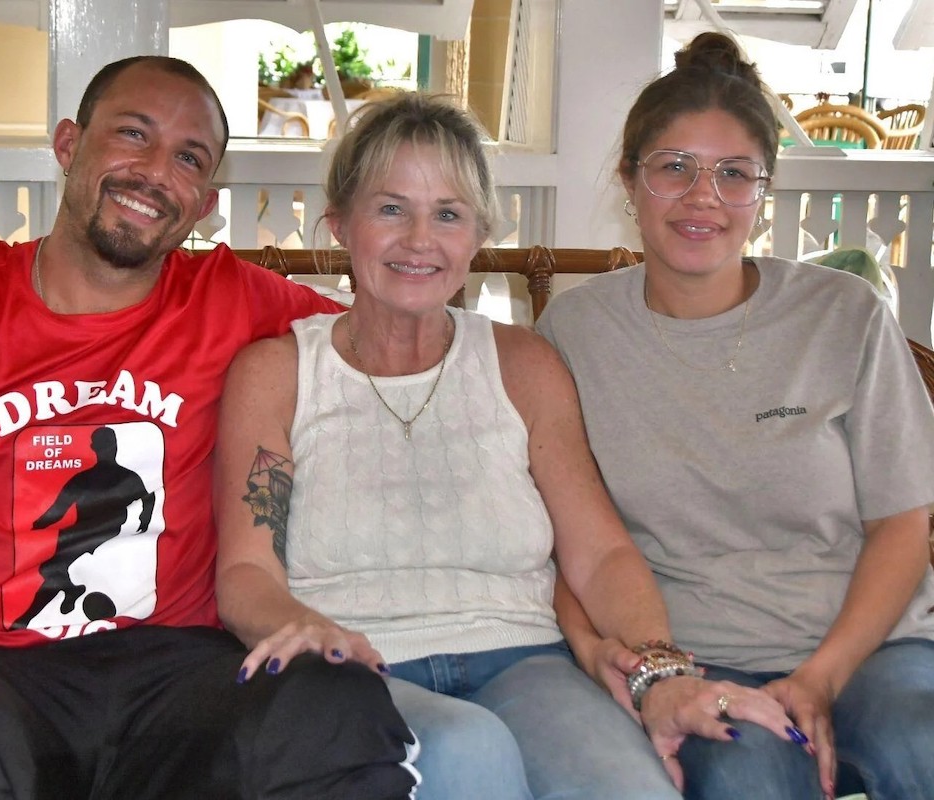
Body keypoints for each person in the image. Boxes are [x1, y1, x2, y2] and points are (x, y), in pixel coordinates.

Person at [0, 56, 420, 799]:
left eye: (188, 158)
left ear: (205, 202)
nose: (156, 171)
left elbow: (397, 350)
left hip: (184, 672)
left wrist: (413, 238)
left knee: (334, 702)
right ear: (69, 145)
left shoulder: (234, 301)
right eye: (133, 135)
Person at [212, 91, 798, 800]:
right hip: (357, 668)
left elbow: (600, 551)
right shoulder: (277, 372)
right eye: (390, 208)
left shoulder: (522, 364)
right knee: (470, 755)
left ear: (479, 234)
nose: (420, 239)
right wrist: (305, 630)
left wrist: (662, 674)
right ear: (339, 224)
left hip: (527, 664)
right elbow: (246, 571)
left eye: (449, 214)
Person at [536, 32, 934, 800]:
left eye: (734, 174)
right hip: (690, 663)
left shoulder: (842, 315)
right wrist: (633, 665)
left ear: (765, 190)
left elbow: (904, 523)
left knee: (924, 740)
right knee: (749, 771)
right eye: (674, 169)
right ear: (630, 179)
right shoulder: (572, 337)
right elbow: (554, 541)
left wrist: (821, 676)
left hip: (869, 649)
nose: (702, 197)